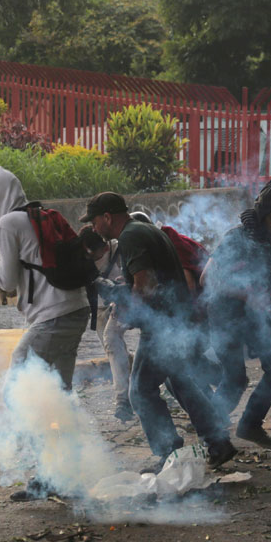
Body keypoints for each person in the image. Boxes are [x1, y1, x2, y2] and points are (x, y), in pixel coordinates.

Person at [82, 192, 237, 473]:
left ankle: (168, 453)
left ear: (107, 217)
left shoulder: (130, 236)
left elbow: (146, 284)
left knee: (141, 391)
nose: (93, 228)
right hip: (175, 319)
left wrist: (125, 305)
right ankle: (218, 442)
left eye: (94, 221)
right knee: (181, 382)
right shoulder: (145, 230)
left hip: (162, 325)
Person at [0, 167, 91, 390]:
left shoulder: (7, 223)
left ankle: (14, 426)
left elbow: (6, 282)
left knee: (17, 390)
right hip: (77, 310)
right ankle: (71, 425)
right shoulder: (36, 216)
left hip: (53, 316)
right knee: (58, 391)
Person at [202, 182, 271, 450]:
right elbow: (208, 278)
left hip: (258, 318)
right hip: (225, 315)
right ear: (261, 214)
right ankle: (209, 429)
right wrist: (246, 294)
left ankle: (250, 424)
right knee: (235, 378)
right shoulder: (236, 237)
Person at [79, 226, 134, 423]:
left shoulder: (119, 248)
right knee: (114, 350)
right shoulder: (81, 258)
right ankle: (138, 374)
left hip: (127, 300)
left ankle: (123, 400)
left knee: (111, 340)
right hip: (103, 309)